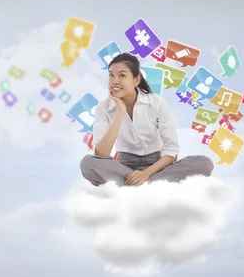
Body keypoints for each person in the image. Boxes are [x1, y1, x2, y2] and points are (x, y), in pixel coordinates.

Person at [79, 53, 214, 187]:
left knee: (204, 163)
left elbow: (171, 149)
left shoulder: (156, 102)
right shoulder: (103, 108)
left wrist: (146, 175)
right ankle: (151, 184)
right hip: (125, 169)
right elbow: (101, 154)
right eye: (111, 75)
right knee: (88, 163)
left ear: (136, 80)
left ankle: (146, 183)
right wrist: (120, 113)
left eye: (122, 75)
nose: (115, 81)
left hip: (158, 166)